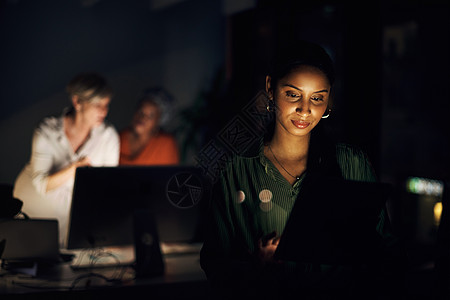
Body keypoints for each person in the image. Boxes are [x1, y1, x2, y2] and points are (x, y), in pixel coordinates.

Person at [200, 41, 405, 299]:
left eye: (317, 98)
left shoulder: (351, 162)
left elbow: (385, 248)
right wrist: (255, 265)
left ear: (328, 99)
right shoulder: (236, 168)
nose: (305, 110)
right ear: (270, 89)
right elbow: (215, 262)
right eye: (293, 94)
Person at [13, 72, 120, 247]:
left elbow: (107, 189)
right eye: (98, 105)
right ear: (77, 102)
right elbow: (42, 184)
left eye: (106, 105)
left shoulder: (109, 137)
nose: (104, 111)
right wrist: (75, 169)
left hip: (75, 226)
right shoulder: (47, 131)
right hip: (35, 219)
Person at [119, 87, 179, 166]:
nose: (143, 118)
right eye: (141, 111)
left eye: (151, 116)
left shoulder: (166, 144)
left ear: (158, 122)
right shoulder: (119, 138)